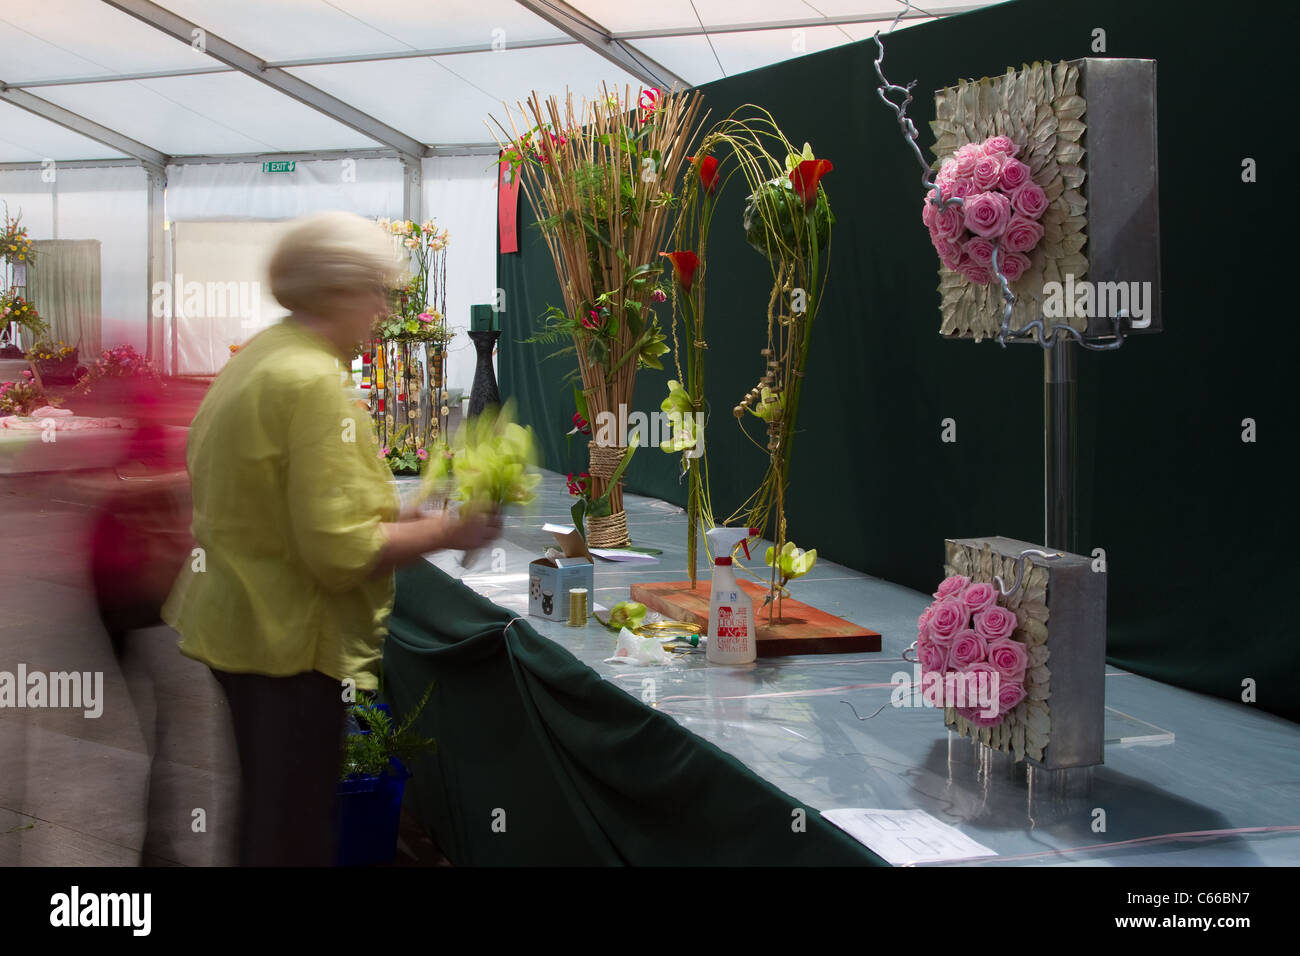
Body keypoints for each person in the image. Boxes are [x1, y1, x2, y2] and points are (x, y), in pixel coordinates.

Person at [162, 211, 500, 866]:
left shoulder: (266, 356)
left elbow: (294, 514)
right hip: (285, 641)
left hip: (244, 630)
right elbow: (341, 553)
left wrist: (413, 513)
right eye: (374, 291)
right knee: (289, 836)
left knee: (269, 817)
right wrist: (453, 529)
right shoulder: (311, 383)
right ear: (335, 291)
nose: (381, 309)